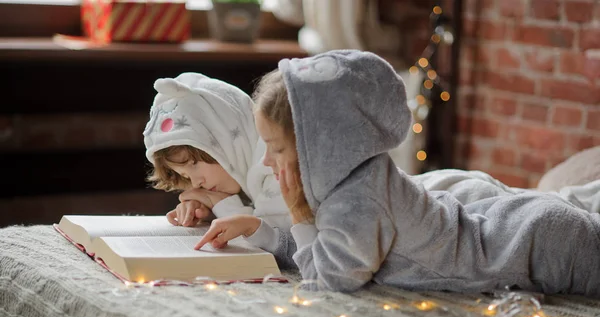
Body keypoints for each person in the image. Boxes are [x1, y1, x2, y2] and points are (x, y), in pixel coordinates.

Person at [198, 50, 600, 297]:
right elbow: (322, 249)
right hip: (519, 224)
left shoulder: (356, 201)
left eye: (277, 148)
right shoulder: (353, 172)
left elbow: (328, 280)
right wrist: (260, 231)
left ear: (318, 147)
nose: (266, 161)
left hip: (538, 246)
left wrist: (299, 214)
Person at [143, 72, 296, 267]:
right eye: (185, 176)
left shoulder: (272, 165)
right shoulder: (247, 170)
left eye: (194, 164)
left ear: (225, 139)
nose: (196, 183)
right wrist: (211, 210)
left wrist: (222, 205)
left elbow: (274, 249)